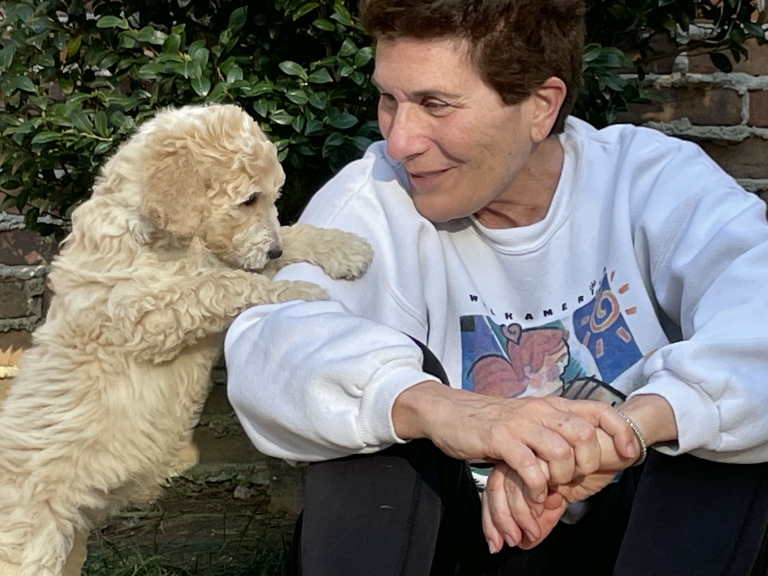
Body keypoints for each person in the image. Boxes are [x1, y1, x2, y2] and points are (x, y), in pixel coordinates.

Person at [224, 0, 768, 573]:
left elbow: (756, 311)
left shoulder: (649, 181)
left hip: (640, 534)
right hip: (453, 540)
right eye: (389, 99)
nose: (400, 140)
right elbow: (271, 342)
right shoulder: (376, 198)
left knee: (719, 434)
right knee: (372, 425)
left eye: (435, 104)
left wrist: (630, 429)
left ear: (541, 106)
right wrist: (440, 408)